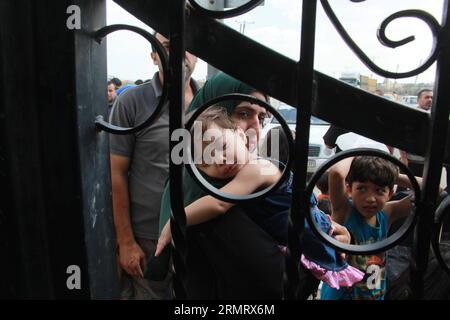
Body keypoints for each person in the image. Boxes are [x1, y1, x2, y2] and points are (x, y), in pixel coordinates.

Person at [109, 32, 198, 300]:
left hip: (197, 233)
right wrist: (125, 242)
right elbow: (116, 173)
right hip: (147, 239)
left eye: (188, 45)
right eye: (168, 45)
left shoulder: (210, 101)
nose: (180, 51)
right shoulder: (132, 101)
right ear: (153, 55)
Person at [321, 156, 420, 300]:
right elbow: (336, 173)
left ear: (390, 193)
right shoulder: (344, 211)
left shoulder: (387, 213)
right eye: (361, 188)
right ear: (349, 189)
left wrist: (390, 175)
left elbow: (433, 190)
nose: (370, 198)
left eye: (379, 190)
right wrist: (356, 155)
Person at [399, 89, 433, 177]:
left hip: (426, 163)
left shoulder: (434, 116)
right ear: (418, 100)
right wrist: (403, 158)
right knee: (404, 186)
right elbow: (401, 137)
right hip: (411, 161)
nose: (430, 100)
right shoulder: (411, 115)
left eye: (431, 97)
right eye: (426, 97)